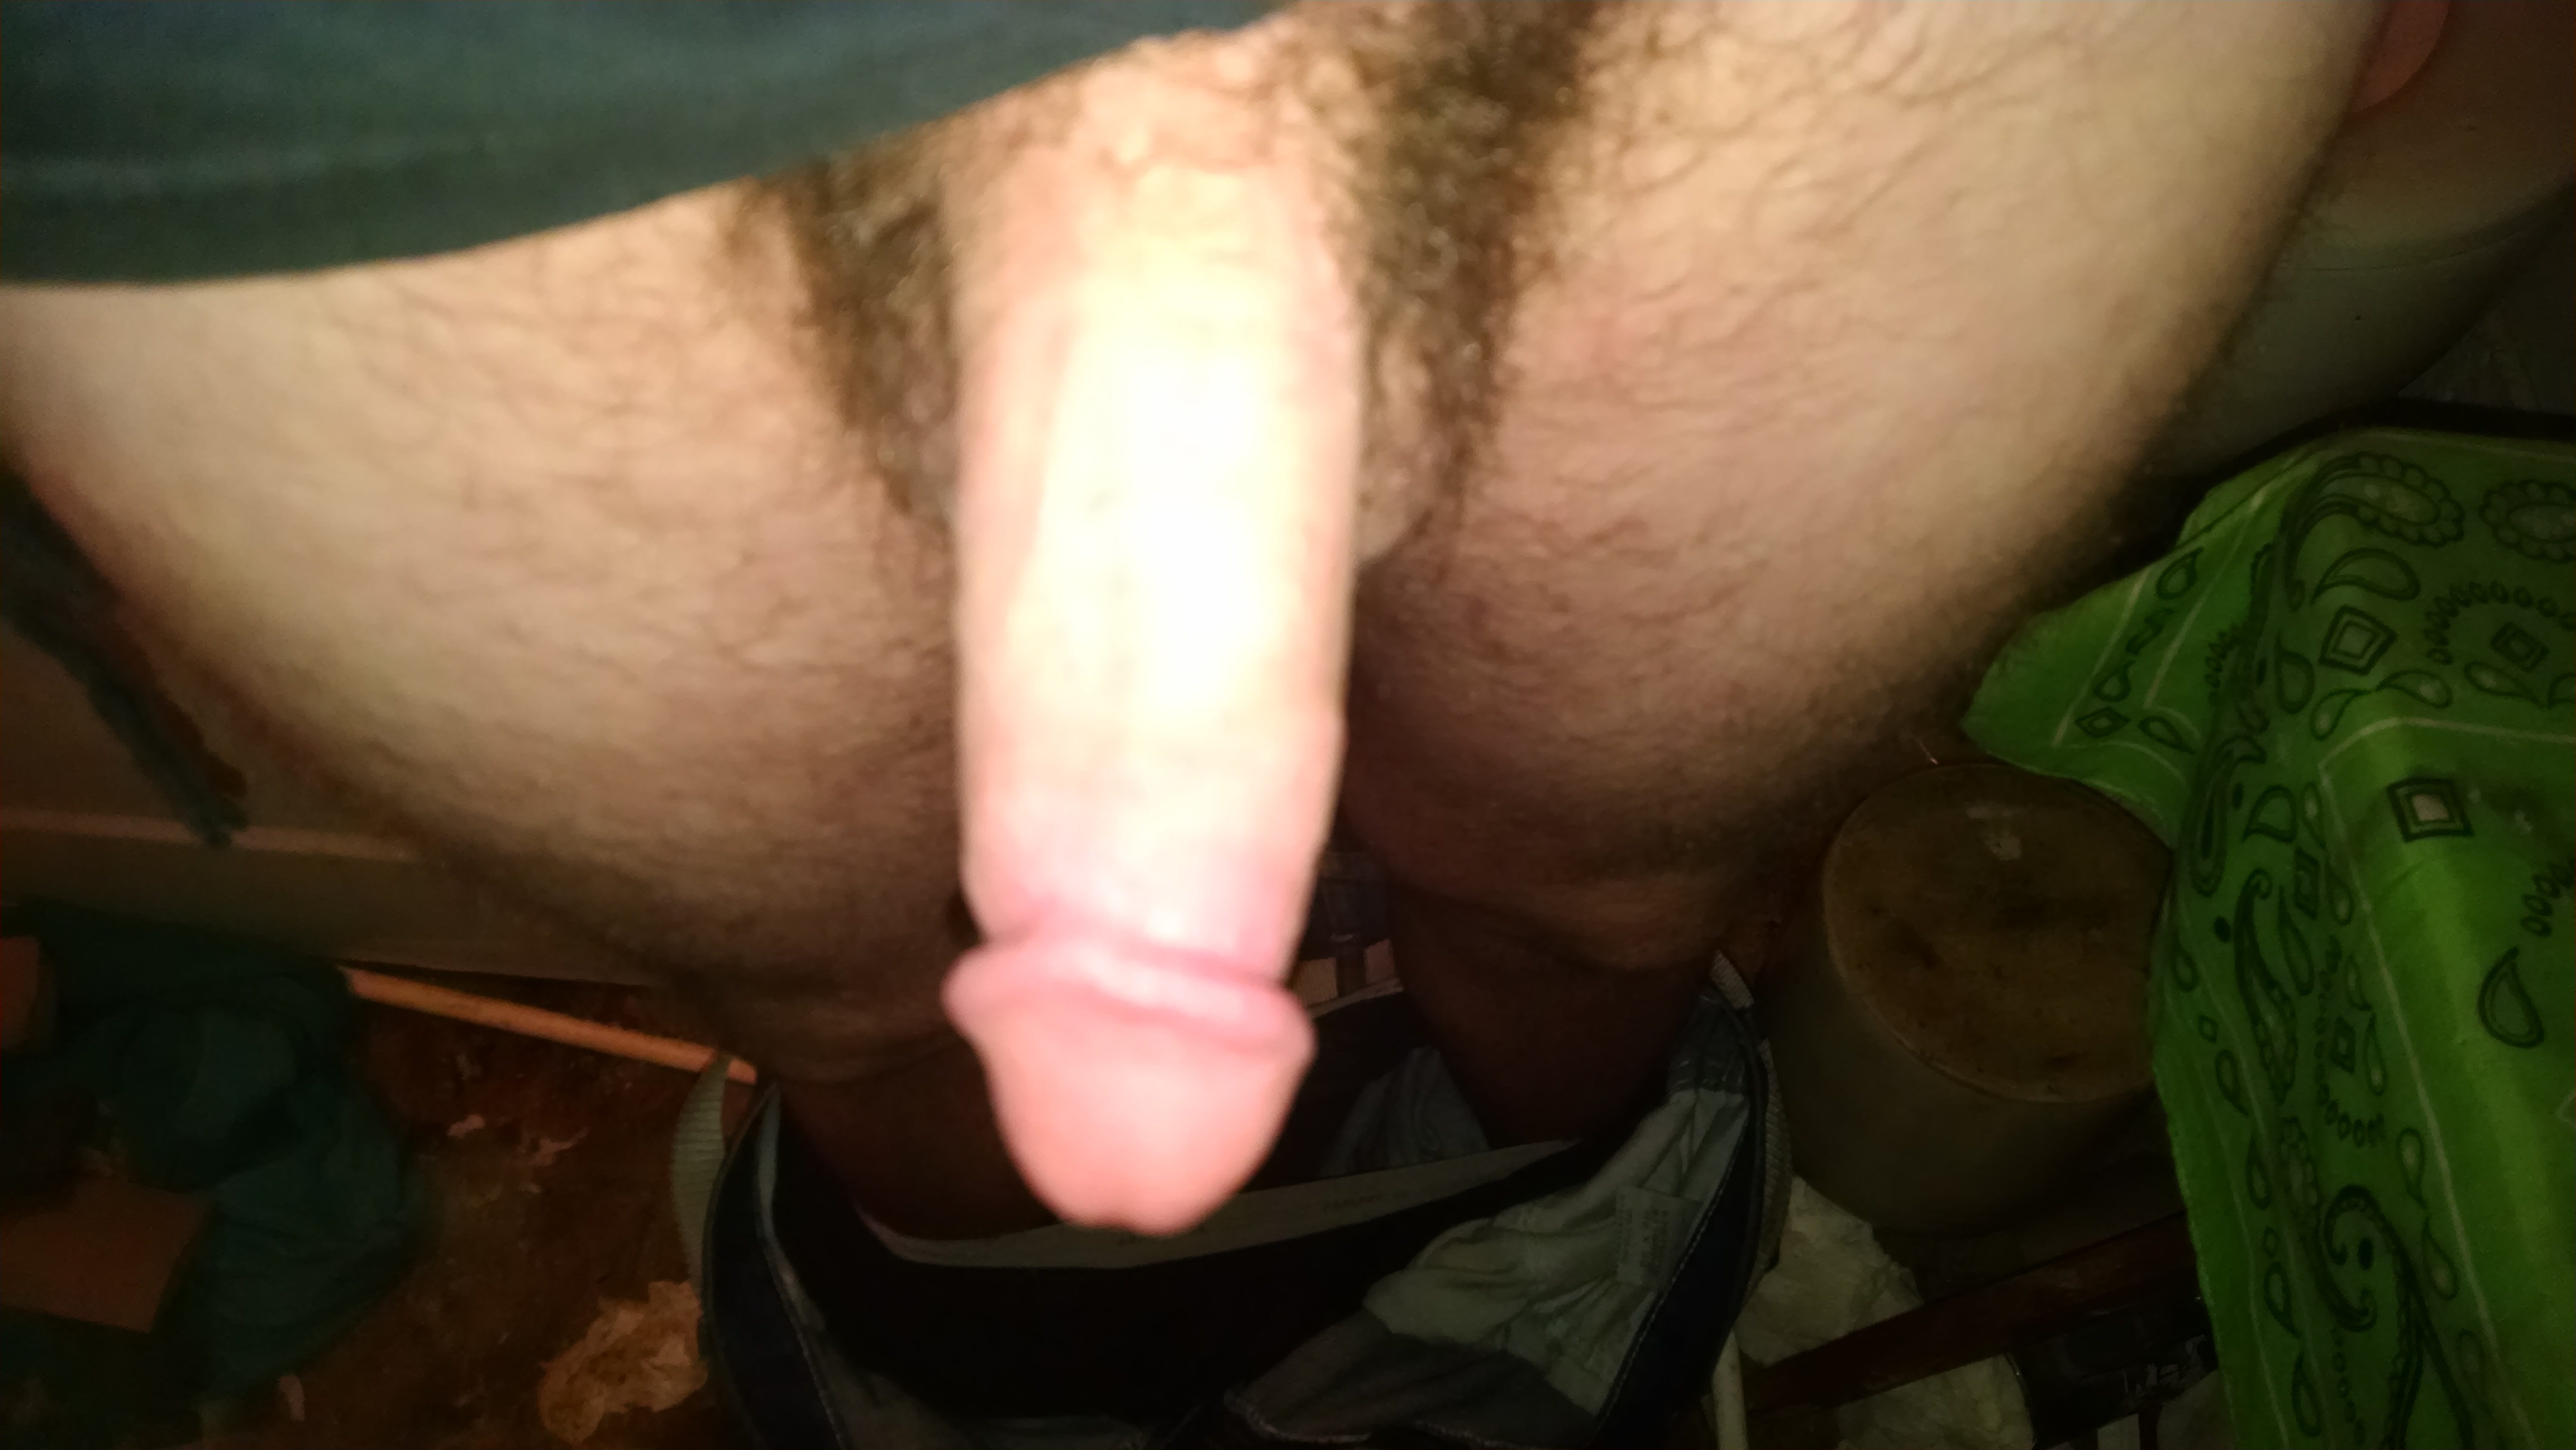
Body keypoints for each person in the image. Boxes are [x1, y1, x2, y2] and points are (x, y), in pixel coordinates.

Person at [1, 1, 2392, 1247]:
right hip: (339, 114)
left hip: (344, 121)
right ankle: (1383, 1266)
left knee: (892, 1011)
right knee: (1570, 919)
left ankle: (1374, 1260)